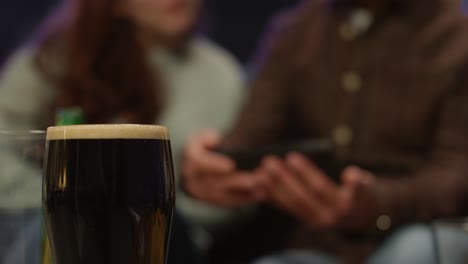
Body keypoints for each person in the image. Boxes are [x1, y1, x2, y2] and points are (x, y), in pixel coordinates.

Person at [182, 0, 468, 263]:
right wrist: (208, 168)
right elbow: (250, 138)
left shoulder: (455, 36)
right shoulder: (297, 29)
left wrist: (376, 203)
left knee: (416, 252)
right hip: (315, 245)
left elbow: (455, 178)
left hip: (418, 233)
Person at [0, 0, 245, 263]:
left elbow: (236, 195)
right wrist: (60, 198)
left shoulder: (219, 74)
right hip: (46, 223)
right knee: (55, 227)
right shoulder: (53, 60)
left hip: (173, 236)